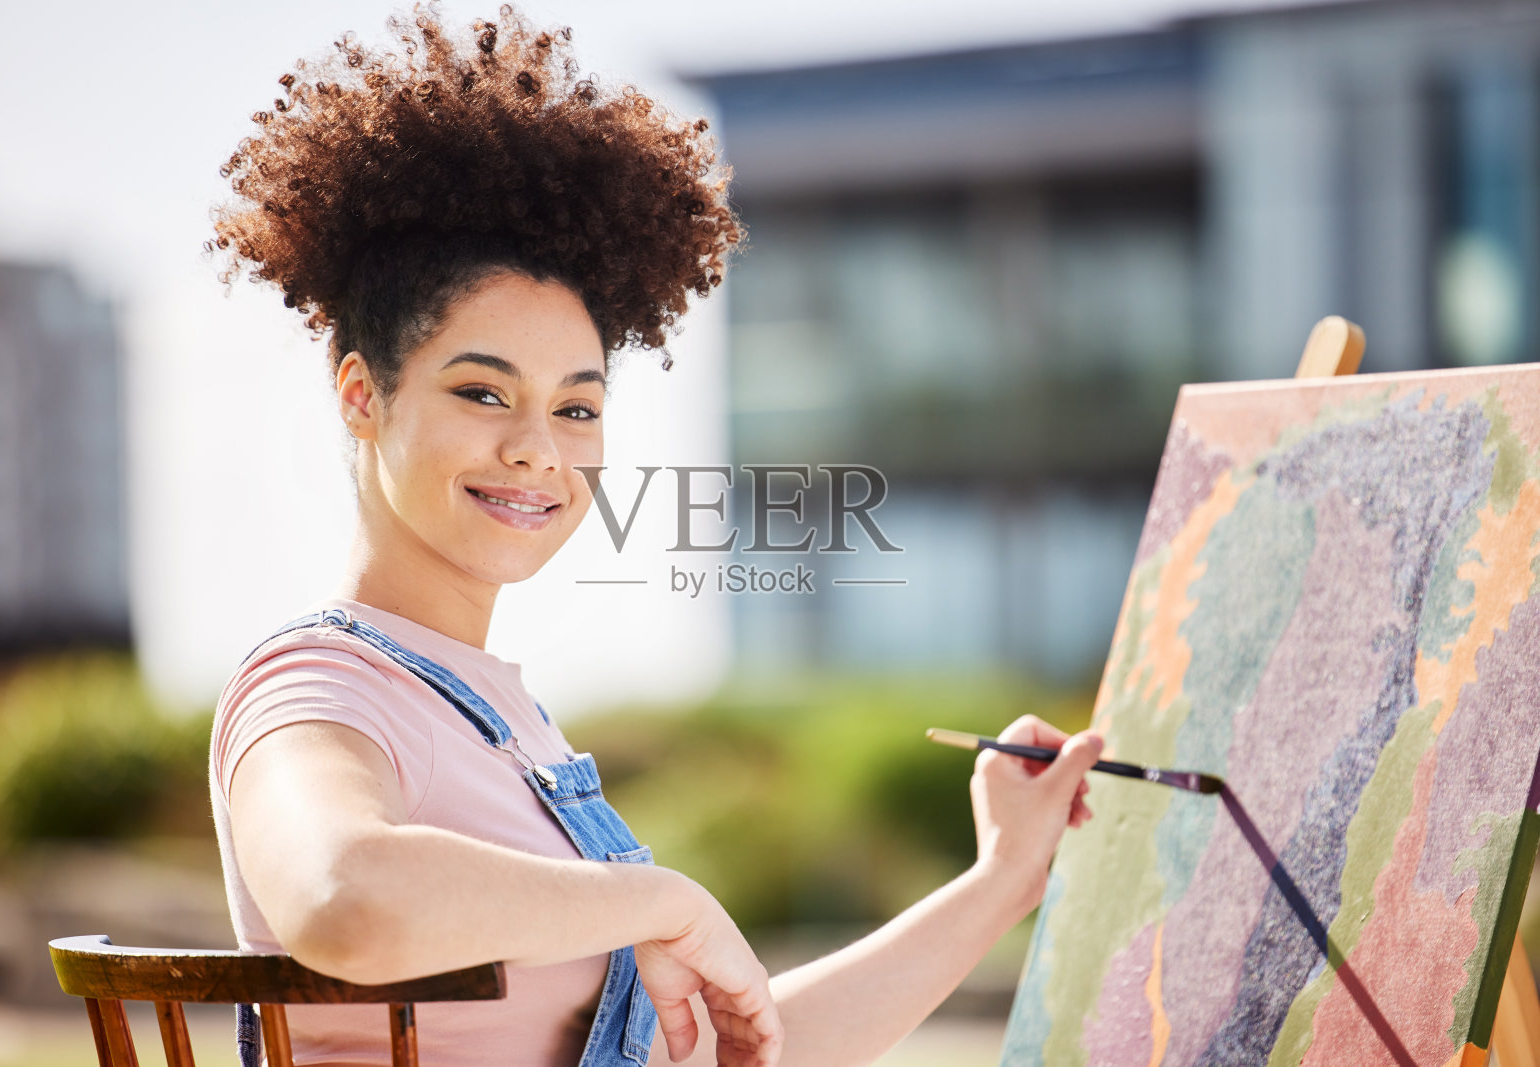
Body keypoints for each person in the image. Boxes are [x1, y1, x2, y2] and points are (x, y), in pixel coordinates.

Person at [206, 6, 1105, 1066]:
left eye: (576, 408)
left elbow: (737, 1050)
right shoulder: (319, 685)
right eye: (483, 392)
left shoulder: (507, 724)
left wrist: (1003, 878)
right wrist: (655, 899)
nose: (538, 449)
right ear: (363, 393)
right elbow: (340, 896)